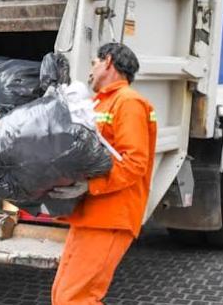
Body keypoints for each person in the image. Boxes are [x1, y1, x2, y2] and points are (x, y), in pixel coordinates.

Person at [49, 43, 158, 305]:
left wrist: (90, 185)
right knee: (63, 296)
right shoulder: (99, 103)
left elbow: (134, 163)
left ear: (108, 62)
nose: (90, 71)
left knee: (75, 299)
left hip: (111, 217)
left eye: (93, 63)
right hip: (91, 215)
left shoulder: (129, 102)